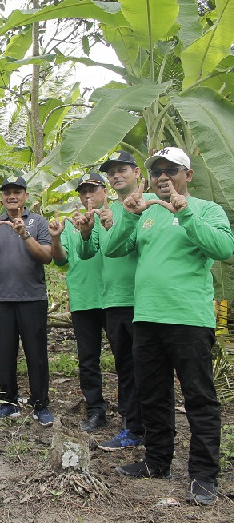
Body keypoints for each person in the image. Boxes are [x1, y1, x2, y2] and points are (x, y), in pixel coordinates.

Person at [103, 147, 234, 506]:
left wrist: (185, 212)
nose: (163, 176)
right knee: (152, 394)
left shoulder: (206, 209)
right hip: (146, 318)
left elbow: (224, 248)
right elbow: (113, 249)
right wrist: (129, 216)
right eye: (157, 171)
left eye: (171, 170)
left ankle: (204, 475)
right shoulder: (147, 214)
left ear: (187, 175)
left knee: (199, 399)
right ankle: (157, 461)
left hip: (188, 319)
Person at [77, 151, 146, 450]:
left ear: (136, 172)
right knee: (126, 367)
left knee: (150, 367)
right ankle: (133, 427)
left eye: (123, 170)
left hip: (144, 299)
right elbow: (89, 251)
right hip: (114, 301)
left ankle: (153, 428)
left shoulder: (152, 204)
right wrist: (89, 231)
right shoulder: (108, 212)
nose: (117, 175)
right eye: (112, 172)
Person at [0, 176, 54, 426]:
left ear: (26, 196)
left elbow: (46, 257)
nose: (12, 196)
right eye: (7, 192)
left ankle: (40, 403)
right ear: (1, 198)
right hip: (1, 299)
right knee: (5, 354)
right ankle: (8, 401)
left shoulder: (38, 222)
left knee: (36, 354)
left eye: (17, 192)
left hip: (32, 298)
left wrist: (24, 234)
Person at [49, 172, 108, 432]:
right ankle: (95, 409)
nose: (87, 195)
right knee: (88, 359)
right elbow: (61, 261)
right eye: (83, 191)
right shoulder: (71, 224)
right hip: (84, 298)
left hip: (115, 298)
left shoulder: (115, 216)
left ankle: (132, 412)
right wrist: (55, 238)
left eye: (92, 190)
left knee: (127, 358)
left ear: (104, 191)